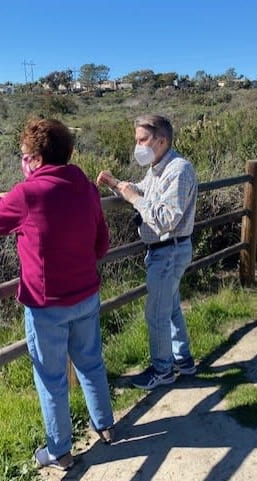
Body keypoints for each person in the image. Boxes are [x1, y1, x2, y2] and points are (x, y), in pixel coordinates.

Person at [0, 118, 115, 471]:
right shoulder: (85, 186)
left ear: (36, 158)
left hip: (45, 304)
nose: (22, 161)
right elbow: (102, 243)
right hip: (86, 294)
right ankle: (106, 426)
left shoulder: (26, 194)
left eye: (24, 155)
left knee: (51, 379)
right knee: (91, 362)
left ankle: (60, 451)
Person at [96, 114, 198, 390]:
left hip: (168, 251)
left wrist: (133, 198)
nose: (137, 145)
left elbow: (166, 218)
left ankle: (163, 370)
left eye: (143, 139)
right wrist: (118, 185)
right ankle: (183, 360)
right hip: (166, 251)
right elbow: (144, 193)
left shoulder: (178, 170)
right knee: (171, 307)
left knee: (156, 314)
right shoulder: (158, 168)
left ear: (161, 140)